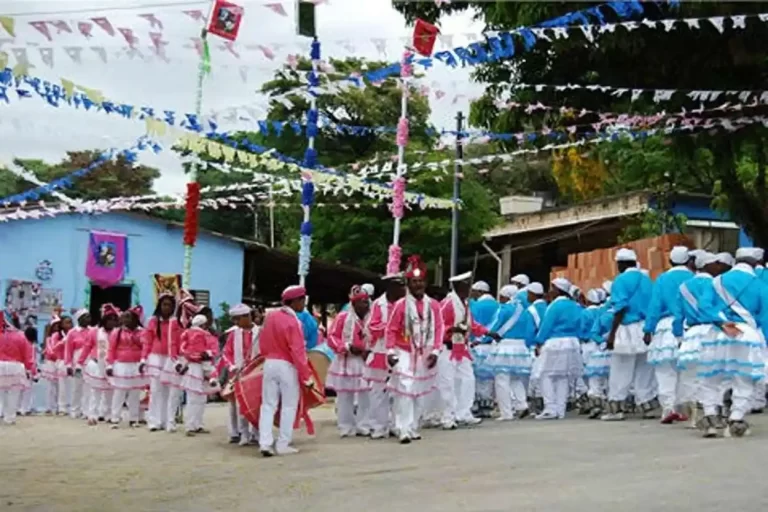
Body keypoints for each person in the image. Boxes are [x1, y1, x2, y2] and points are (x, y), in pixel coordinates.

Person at [698, 247, 768, 438]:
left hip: (719, 332)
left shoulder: (716, 281)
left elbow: (704, 306)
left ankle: (710, 417)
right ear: (755, 263)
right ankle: (736, 418)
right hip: (747, 335)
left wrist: (720, 321)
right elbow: (765, 317)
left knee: (711, 377)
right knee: (744, 379)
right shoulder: (760, 285)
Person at [385, 255, 444, 444]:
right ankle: (403, 428)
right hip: (403, 351)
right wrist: (390, 353)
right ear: (408, 284)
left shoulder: (433, 305)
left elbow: (440, 329)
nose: (418, 285)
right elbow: (391, 329)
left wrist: (436, 351)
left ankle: (412, 426)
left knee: (418, 391)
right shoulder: (400, 305)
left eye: (420, 281)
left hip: (425, 352)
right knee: (405, 388)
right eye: (414, 282)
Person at [602, 249, 658, 421]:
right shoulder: (648, 280)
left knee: (621, 369)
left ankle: (616, 408)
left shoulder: (620, 280)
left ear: (622, 264)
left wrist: (611, 334)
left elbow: (620, 308)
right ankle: (646, 405)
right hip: (645, 329)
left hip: (626, 329)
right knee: (644, 369)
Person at [258, 285, 314, 456]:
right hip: (287, 366)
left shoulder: (270, 317)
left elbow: (261, 342)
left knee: (268, 405)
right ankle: (283, 444)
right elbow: (297, 351)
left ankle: (265, 443)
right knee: (289, 406)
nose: (304, 304)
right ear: (296, 301)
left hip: (269, 363)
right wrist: (307, 376)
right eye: (302, 300)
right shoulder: (294, 322)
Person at [643, 246, 696, 424]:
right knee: (687, 371)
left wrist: (648, 329)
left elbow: (655, 306)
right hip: (689, 327)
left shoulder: (662, 279)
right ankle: (687, 408)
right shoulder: (693, 278)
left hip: (665, 328)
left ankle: (668, 408)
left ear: (670, 261)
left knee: (665, 370)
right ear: (689, 261)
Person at [670, 252, 722, 433]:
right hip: (713, 332)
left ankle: (695, 416)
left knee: (692, 376)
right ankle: (715, 413)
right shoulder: (717, 284)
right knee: (716, 375)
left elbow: (678, 316)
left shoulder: (684, 287)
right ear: (707, 265)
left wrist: (678, 337)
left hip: (691, 334)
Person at [439, 272, 488, 429]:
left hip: (462, 348)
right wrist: (451, 329)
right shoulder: (447, 304)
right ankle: (447, 416)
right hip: (447, 348)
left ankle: (463, 412)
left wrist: (487, 332)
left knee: (468, 380)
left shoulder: (465, 304)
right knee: (448, 383)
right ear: (458, 287)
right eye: (467, 286)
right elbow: (438, 325)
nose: (469, 289)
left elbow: (472, 324)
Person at [532, 278, 583, 420]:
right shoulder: (575, 306)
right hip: (572, 342)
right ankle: (560, 409)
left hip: (555, 342)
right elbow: (580, 324)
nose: (550, 291)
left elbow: (546, 325)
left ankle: (550, 408)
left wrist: (539, 342)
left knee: (545, 374)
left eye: (552, 288)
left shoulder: (554, 306)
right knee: (563, 376)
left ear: (558, 290)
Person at [327, 285, 372, 437]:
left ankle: (363, 424)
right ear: (354, 303)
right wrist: (346, 347)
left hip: (366, 361)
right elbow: (332, 337)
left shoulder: (371, 318)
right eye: (362, 302)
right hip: (347, 361)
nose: (366, 305)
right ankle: (346, 426)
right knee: (345, 396)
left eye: (367, 301)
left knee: (366, 394)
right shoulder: (343, 317)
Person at [365, 273, 406, 439]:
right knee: (378, 392)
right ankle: (378, 426)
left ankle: (398, 424)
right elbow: (371, 328)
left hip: (401, 352)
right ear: (391, 288)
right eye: (400, 286)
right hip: (381, 352)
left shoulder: (405, 304)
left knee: (400, 391)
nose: (403, 289)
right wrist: (389, 326)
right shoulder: (378, 305)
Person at [487, 284, 535, 420]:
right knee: (516, 378)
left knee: (501, 379)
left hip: (505, 346)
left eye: (501, 296)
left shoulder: (504, 309)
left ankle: (506, 413)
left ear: (506, 296)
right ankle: (522, 405)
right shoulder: (524, 311)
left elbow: (495, 327)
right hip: (520, 347)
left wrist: (483, 338)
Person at [143, 293, 182, 432]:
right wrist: (144, 359)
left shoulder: (176, 322)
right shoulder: (153, 321)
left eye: (170, 305)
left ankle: (168, 421)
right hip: (155, 357)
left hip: (171, 358)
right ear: (160, 305)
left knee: (170, 391)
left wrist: (179, 359)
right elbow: (147, 341)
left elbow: (179, 341)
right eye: (164, 304)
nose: (167, 308)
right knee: (155, 390)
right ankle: (154, 421)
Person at [106, 306, 147, 429]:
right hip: (121, 365)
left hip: (136, 365)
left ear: (135, 318)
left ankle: (134, 419)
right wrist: (109, 364)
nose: (124, 319)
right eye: (124, 317)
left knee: (135, 393)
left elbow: (145, 347)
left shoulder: (142, 332)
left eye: (128, 317)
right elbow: (111, 349)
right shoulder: (117, 332)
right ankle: (115, 418)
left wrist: (143, 361)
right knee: (119, 392)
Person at [179, 314, 220, 436]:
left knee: (201, 399)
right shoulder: (189, 334)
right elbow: (183, 349)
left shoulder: (207, 335)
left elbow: (213, 350)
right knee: (193, 398)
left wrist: (206, 353)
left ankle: (198, 424)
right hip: (194, 367)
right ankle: (190, 426)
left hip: (203, 366)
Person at [221, 303, 256, 445]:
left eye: (238, 319)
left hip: (254, 374)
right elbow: (226, 353)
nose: (236, 322)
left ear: (247, 317)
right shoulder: (233, 334)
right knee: (237, 405)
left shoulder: (260, 332)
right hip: (237, 374)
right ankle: (240, 433)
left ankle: (256, 433)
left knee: (255, 404)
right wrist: (232, 366)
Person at [79, 303, 119, 425]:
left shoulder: (118, 333)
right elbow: (87, 347)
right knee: (95, 391)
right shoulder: (95, 332)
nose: (111, 322)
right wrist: (80, 361)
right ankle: (92, 415)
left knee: (110, 391)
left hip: (112, 365)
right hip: (97, 364)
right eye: (109, 319)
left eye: (114, 319)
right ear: (104, 320)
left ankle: (107, 414)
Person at [468, 281, 498, 419]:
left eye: (473, 290)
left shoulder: (476, 306)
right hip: (493, 344)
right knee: (490, 377)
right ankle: (488, 404)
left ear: (480, 292)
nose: (471, 293)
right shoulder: (498, 304)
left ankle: (478, 405)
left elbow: (472, 325)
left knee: (477, 377)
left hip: (478, 344)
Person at [0, 312, 36, 424]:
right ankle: (9, 417)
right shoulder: (21, 335)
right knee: (13, 394)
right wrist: (30, 369)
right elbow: (28, 355)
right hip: (16, 367)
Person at [584, 290, 613, 419]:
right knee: (612, 380)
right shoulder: (624, 316)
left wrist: (603, 341)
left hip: (600, 352)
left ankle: (596, 404)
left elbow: (594, 333)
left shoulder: (602, 316)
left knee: (595, 379)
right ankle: (613, 405)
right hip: (617, 351)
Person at [64, 309, 93, 419]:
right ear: (79, 319)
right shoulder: (72, 332)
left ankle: (86, 410)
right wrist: (68, 365)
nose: (88, 319)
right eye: (85, 317)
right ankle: (74, 409)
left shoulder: (92, 331)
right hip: (77, 361)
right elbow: (68, 350)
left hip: (89, 361)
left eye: (89, 316)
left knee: (88, 387)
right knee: (77, 387)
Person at [526, 283, 548, 413]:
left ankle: (537, 402)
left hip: (536, 345)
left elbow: (529, 331)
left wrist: (529, 345)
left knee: (535, 374)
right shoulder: (548, 307)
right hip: (548, 344)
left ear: (533, 294)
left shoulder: (531, 310)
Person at [41, 316, 64, 414]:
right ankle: (50, 406)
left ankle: (59, 406)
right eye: (55, 325)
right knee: (50, 386)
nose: (57, 327)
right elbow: (50, 350)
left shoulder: (63, 336)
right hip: (51, 362)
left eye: (59, 325)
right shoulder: (49, 338)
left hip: (59, 361)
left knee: (60, 386)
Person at [18, 326, 38, 416]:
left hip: (20, 368)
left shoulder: (21, 344)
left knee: (19, 389)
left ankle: (18, 407)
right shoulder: (32, 346)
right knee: (28, 390)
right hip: (28, 369)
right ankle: (25, 408)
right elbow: (32, 360)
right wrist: (35, 373)